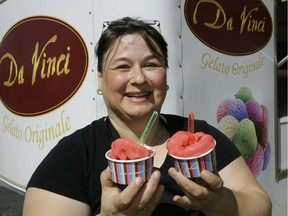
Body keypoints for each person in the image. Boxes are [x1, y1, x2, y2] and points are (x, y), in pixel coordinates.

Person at [23, 17, 272, 216]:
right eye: (122, 66)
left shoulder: (199, 137)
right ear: (100, 78)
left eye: (151, 65)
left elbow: (261, 204)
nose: (139, 78)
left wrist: (222, 203)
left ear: (165, 76)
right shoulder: (76, 154)